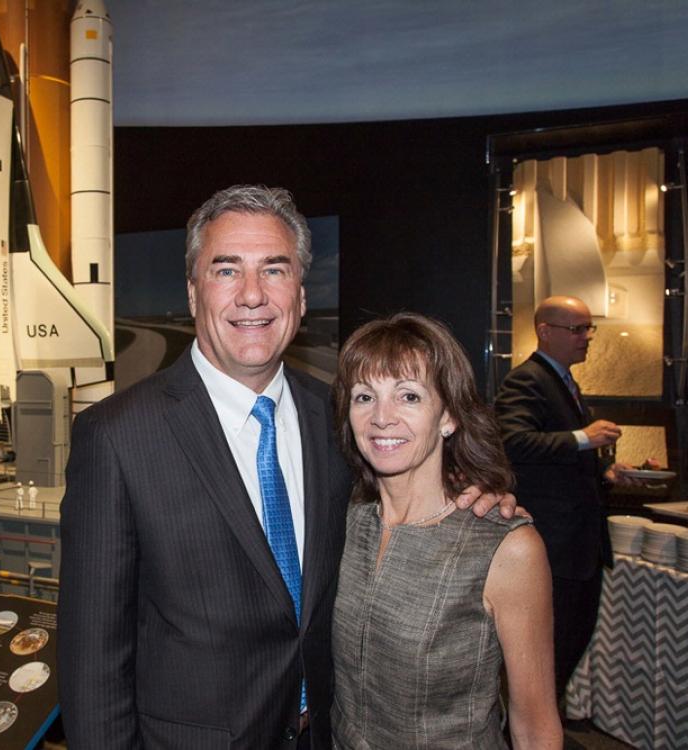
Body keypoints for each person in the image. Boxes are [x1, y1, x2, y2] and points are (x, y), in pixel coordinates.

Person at [58, 184, 516, 748]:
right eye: (226, 270)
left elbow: (406, 497)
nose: (252, 295)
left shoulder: (342, 420)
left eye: (274, 270)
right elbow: (91, 661)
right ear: (193, 293)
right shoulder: (117, 436)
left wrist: (473, 502)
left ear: (300, 297)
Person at [331, 313, 560, 749]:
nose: (382, 417)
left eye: (409, 397)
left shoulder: (505, 547)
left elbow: (535, 728)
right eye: (364, 396)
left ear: (449, 416)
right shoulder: (346, 521)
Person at [494, 295, 646, 699]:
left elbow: (560, 463)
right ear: (545, 331)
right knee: (550, 652)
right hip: (555, 546)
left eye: (588, 328)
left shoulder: (563, 381)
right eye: (577, 329)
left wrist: (606, 472)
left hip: (579, 545)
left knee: (568, 646)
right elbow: (513, 441)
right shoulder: (527, 379)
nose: (587, 337)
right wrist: (585, 438)